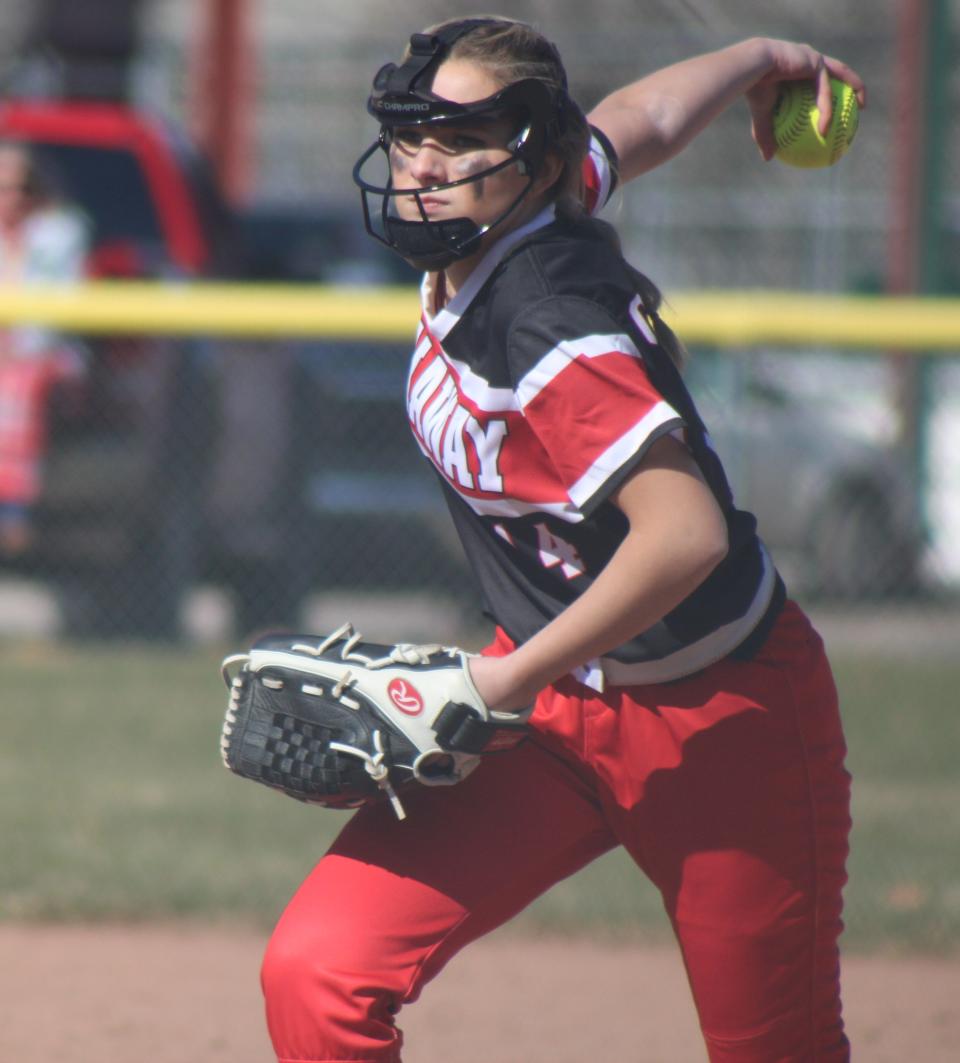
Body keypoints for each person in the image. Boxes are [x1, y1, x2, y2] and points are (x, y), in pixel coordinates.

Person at [261, 18, 866, 1062]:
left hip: (721, 718)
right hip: (550, 706)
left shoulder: (550, 317)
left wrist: (496, 685)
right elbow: (642, 119)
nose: (423, 167)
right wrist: (763, 59)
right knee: (319, 972)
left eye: (458, 140)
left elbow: (688, 536)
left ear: (531, 152)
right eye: (411, 136)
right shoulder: (529, 195)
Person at [0, 141, 89, 556]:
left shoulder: (56, 234)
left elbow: (52, 317)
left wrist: (16, 350)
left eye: (18, 187)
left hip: (37, 359)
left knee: (16, 388)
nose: (9, 197)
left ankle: (13, 512)